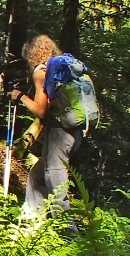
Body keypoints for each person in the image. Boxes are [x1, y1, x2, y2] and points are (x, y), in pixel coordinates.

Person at [8, 34, 78, 216]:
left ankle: (69, 235)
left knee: (54, 182)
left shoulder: (41, 72)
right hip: (76, 131)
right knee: (36, 176)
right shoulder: (65, 68)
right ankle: (33, 220)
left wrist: (20, 96)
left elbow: (40, 110)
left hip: (59, 133)